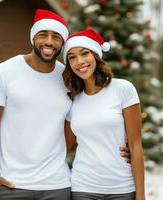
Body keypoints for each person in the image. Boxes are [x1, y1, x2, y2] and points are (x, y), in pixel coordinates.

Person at [0, 9, 130, 200]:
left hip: (58, 186)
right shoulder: (3, 72)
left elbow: (89, 115)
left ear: (62, 43)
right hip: (10, 186)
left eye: (56, 37)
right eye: (43, 35)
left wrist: (123, 144)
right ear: (33, 37)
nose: (49, 41)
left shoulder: (70, 78)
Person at [63, 29, 145, 200]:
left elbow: (136, 146)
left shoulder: (123, 89)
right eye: (72, 57)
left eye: (85, 53)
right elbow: (67, 147)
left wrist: (141, 196)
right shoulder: (72, 99)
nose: (79, 61)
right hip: (83, 186)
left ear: (96, 56)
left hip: (122, 187)